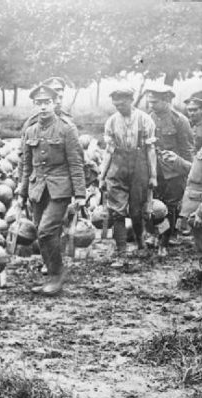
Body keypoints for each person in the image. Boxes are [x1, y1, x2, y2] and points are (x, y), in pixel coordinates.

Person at [18, 85, 86, 296]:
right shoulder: (30, 130)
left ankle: (57, 276)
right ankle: (50, 277)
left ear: (55, 103)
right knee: (43, 231)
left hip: (60, 188)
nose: (43, 107)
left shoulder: (67, 129)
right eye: (39, 103)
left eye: (47, 102)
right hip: (37, 188)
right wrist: (22, 193)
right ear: (34, 105)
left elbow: (75, 163)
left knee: (46, 231)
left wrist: (81, 194)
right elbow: (26, 165)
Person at [98, 87, 157, 267]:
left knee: (137, 211)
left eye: (122, 104)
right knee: (117, 212)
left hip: (139, 164)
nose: (119, 107)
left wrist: (153, 175)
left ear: (131, 101)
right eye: (115, 105)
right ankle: (121, 252)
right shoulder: (111, 122)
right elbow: (108, 150)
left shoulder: (145, 120)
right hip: (118, 164)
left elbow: (150, 149)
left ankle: (140, 242)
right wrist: (102, 175)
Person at [146, 86, 194, 254]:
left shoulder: (180, 120)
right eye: (149, 102)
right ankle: (158, 233)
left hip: (175, 172)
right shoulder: (149, 118)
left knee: (171, 207)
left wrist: (188, 171)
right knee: (156, 205)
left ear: (167, 100)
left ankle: (166, 239)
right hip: (155, 171)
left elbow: (187, 150)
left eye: (155, 102)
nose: (151, 105)